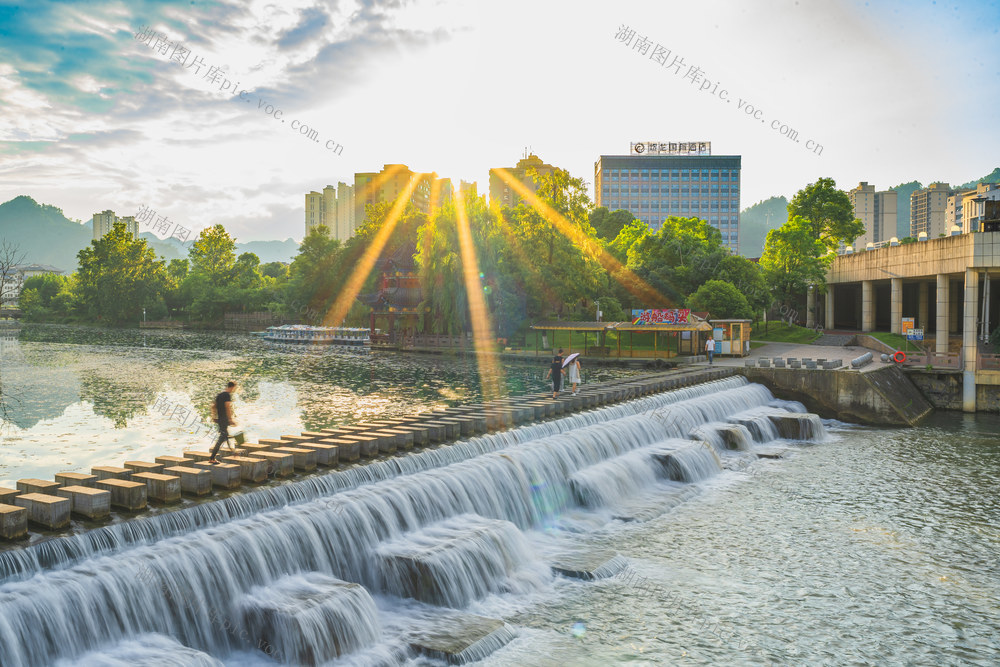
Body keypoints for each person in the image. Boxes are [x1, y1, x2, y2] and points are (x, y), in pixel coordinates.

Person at [209, 381, 239, 464]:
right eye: (234, 388)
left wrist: (214, 417)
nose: (234, 390)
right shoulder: (227, 395)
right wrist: (230, 419)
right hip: (224, 420)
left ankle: (233, 452)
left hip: (220, 419)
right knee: (222, 438)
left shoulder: (220, 395)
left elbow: (213, 406)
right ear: (232, 387)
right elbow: (227, 407)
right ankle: (212, 458)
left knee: (225, 436)